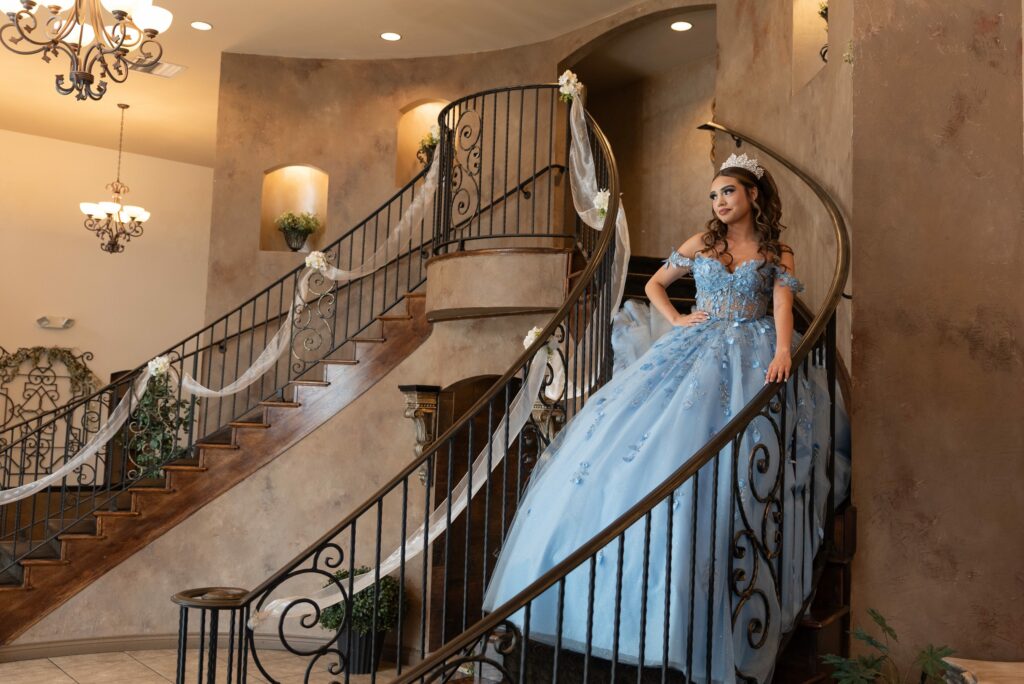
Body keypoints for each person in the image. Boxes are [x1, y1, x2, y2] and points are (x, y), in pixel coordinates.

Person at [481, 152, 851, 683]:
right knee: (639, 448)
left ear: (752, 196)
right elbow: (655, 284)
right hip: (695, 346)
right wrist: (678, 317)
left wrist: (784, 351)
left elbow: (782, 308)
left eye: (728, 192)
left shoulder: (775, 251)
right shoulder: (702, 243)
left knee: (732, 463)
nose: (720, 202)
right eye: (714, 195)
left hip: (750, 351)